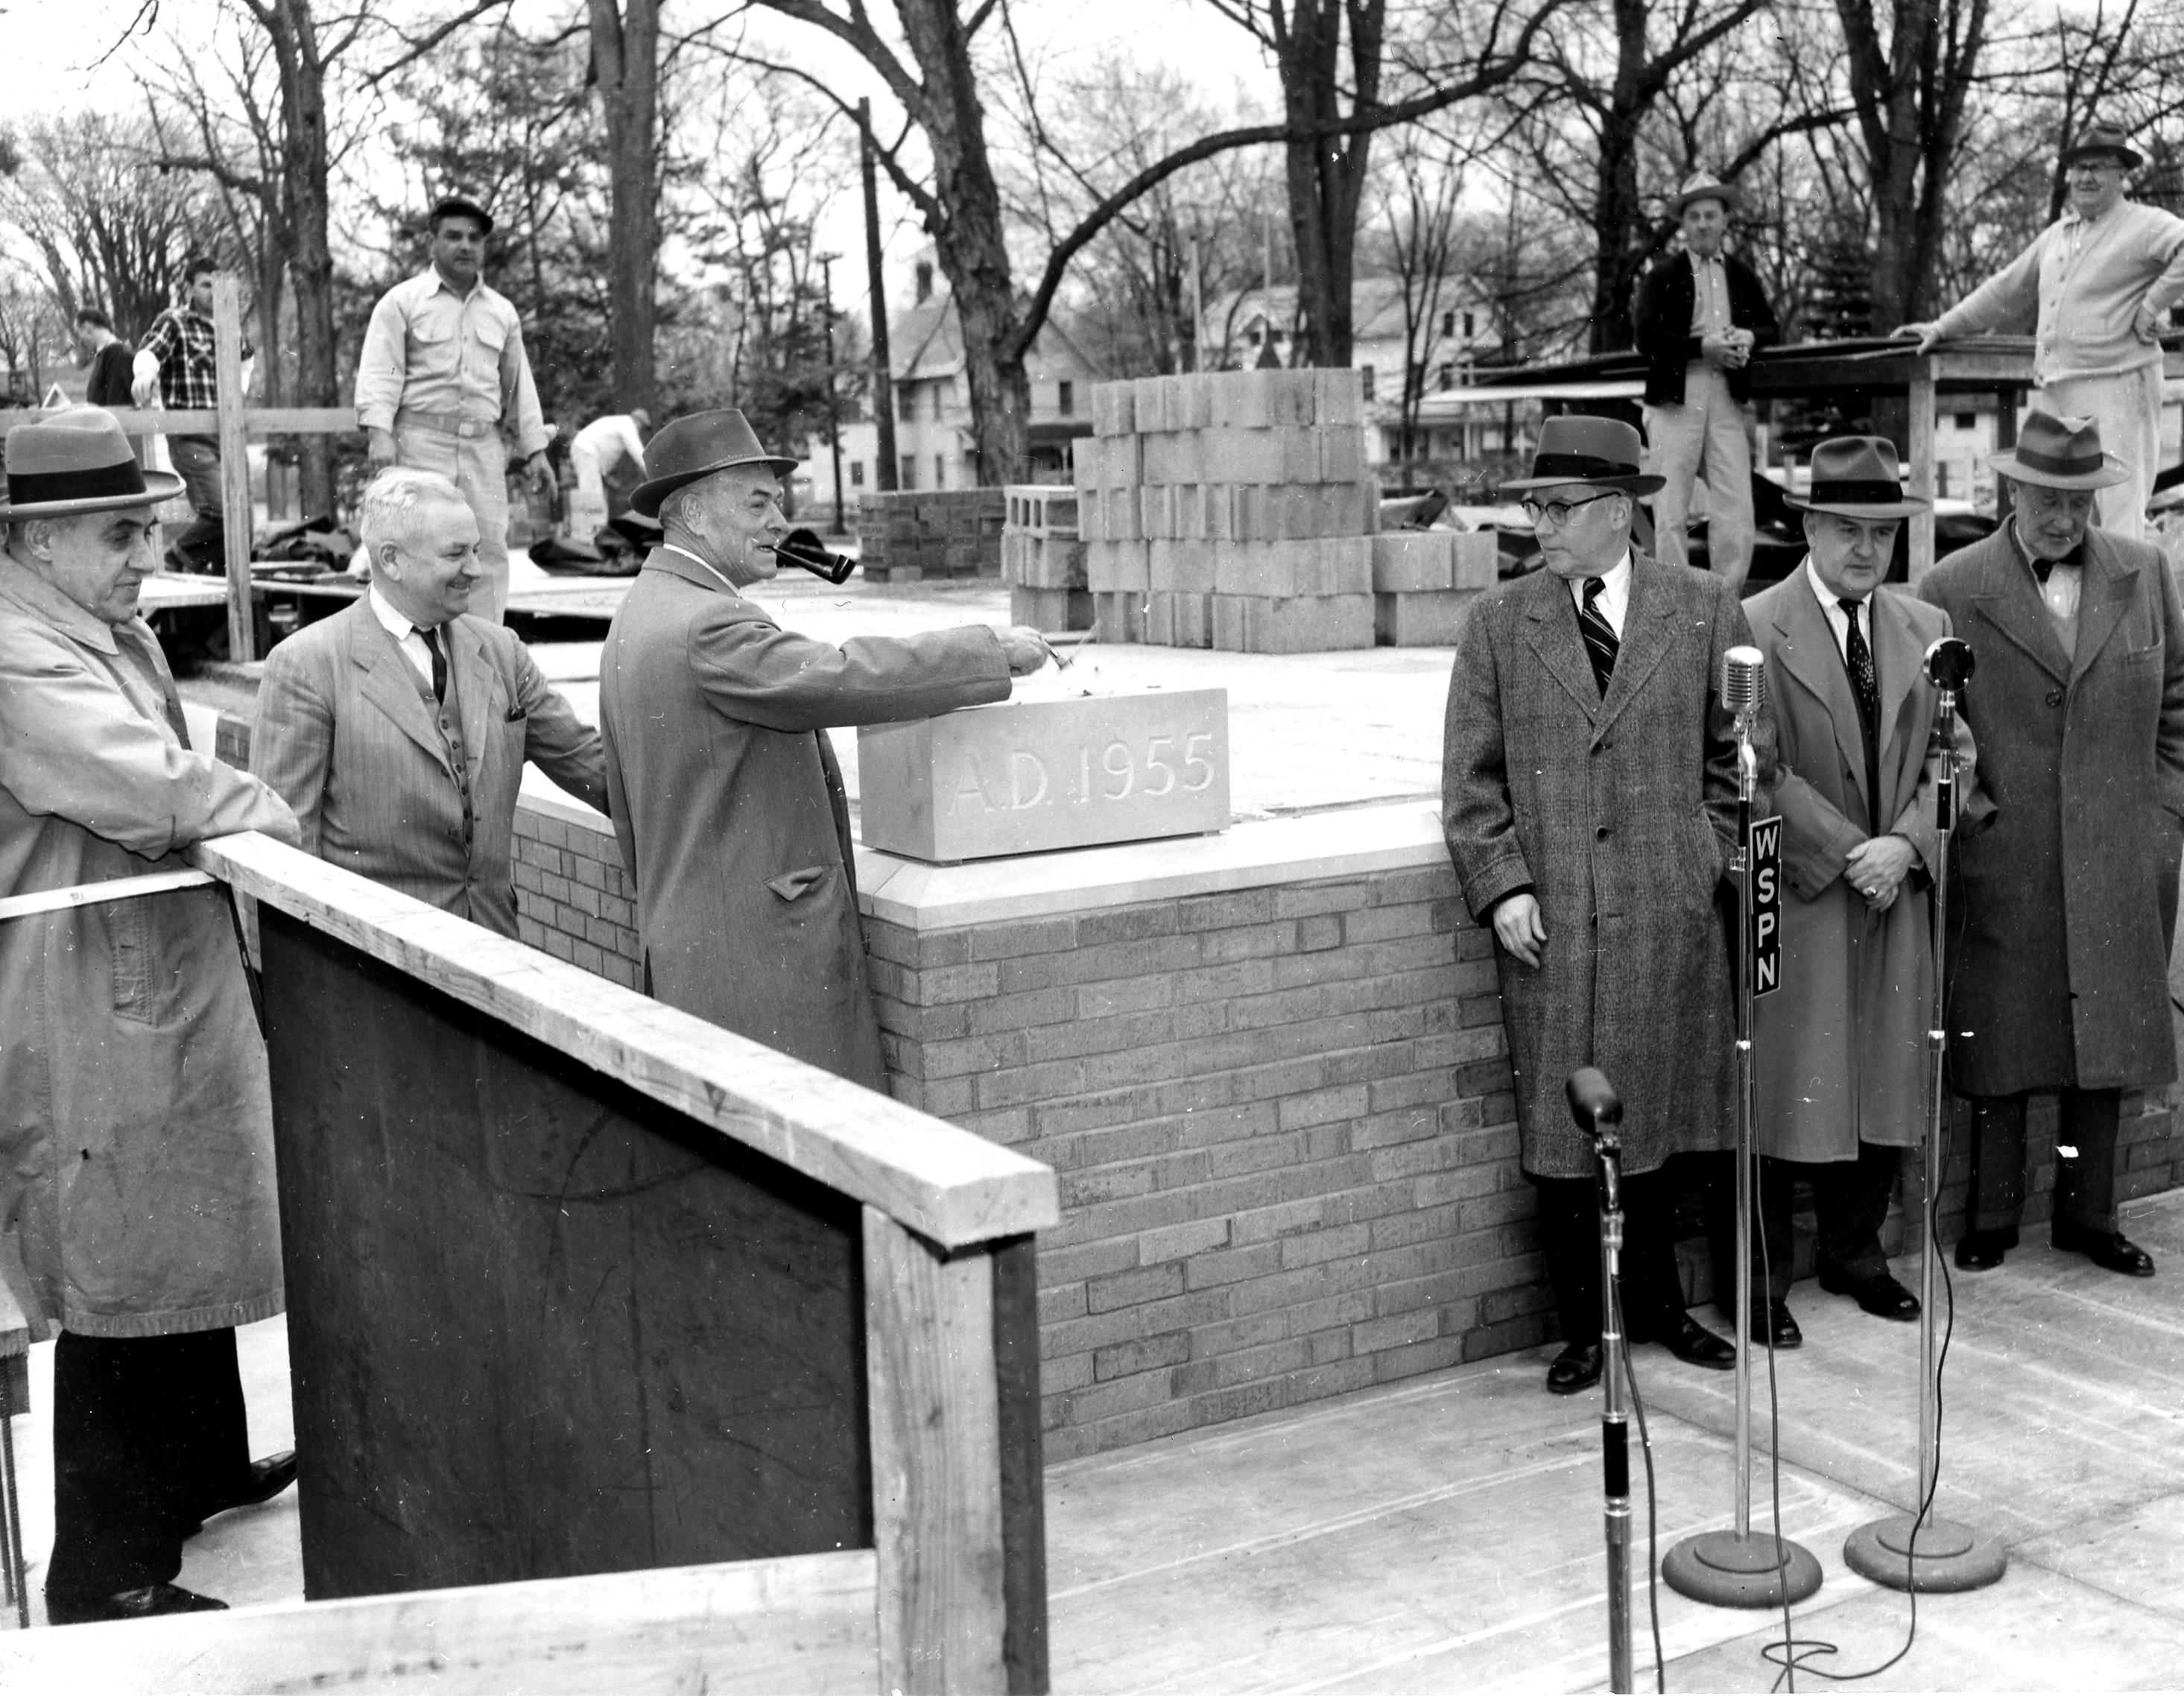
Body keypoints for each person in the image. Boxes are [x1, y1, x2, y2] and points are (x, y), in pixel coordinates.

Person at [0, 408, 301, 1624]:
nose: (145, 556)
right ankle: (107, 1572)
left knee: (192, 1221)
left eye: (146, 529)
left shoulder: (88, 620)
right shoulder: (17, 650)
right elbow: (150, 781)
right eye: (121, 533)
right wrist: (276, 812)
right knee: (129, 1254)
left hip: (154, 970)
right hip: (87, 984)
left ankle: (194, 1471)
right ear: (36, 539)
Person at [598, 409, 1049, 1089]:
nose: (779, 523)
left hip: (698, 946)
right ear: (690, 510)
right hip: (758, 965)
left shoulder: (644, 609)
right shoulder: (708, 621)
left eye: (776, 501)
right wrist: (988, 650)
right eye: (758, 503)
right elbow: (840, 676)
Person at [1442, 414, 1746, 1395]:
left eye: (1557, 507)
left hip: (1668, 917)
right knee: (1563, 1134)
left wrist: (1703, 858)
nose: (1539, 523)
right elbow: (1470, 786)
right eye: (1532, 505)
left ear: (1617, 510)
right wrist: (1502, 888)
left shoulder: (1701, 609)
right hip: (1554, 926)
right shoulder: (1498, 624)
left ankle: (1659, 1313)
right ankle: (1586, 1330)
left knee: (1657, 1123)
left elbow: (1742, 763)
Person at [1919, 409, 2184, 1278]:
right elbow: (1932, 731)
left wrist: (2162, 818)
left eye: (2080, 501)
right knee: (2000, 1037)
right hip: (2011, 850)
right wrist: (1979, 818)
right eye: (2049, 501)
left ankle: (2090, 1217)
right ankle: (1990, 1216)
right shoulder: (1951, 585)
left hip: (2120, 849)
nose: (2066, 520)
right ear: (2012, 491)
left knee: (2102, 1040)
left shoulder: (2146, 572)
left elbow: (2178, 704)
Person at [1732, 437, 1983, 1341]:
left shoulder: (1926, 625)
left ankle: (1856, 1251)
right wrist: (1854, 851)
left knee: (1883, 1072)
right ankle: (1762, 1279)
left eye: (1881, 531)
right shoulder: (1758, 622)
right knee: (1789, 1080)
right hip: (1806, 893)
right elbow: (1751, 770)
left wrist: (1910, 846)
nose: (1865, 549)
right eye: (1846, 528)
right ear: (1808, 526)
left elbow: (1957, 757)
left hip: (1894, 889)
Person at [253, 467, 608, 938]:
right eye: (455, 554)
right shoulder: (307, 665)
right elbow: (286, 848)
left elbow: (589, 763)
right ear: (392, 560)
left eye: (477, 550)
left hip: (497, 952)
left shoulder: (502, 651)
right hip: (378, 973)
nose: (476, 570)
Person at [1899, 121, 2184, 542]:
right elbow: (2006, 290)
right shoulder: (2059, 235)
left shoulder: (2143, 224)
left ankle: (2131, 609)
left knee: (2121, 517)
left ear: (2122, 174)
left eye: (2100, 167)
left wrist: (2151, 306)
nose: (2086, 177)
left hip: (2120, 386)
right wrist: (1943, 327)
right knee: (2063, 513)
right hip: (2059, 390)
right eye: (2079, 167)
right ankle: (2072, 608)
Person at [354, 196, 553, 624]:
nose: (465, 246)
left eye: (474, 238)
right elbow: (379, 372)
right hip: (419, 443)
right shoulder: (402, 302)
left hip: (482, 447)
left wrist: (536, 451)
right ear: (432, 242)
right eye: (454, 236)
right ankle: (412, 649)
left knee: (488, 547)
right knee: (415, 546)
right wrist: (379, 434)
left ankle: (485, 655)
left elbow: (520, 387)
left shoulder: (502, 312)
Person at [1633, 169, 1780, 590]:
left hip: (1727, 399)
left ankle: (1725, 598)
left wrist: (1750, 335)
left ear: (1724, 220)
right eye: (1694, 216)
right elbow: (1646, 336)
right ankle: (1674, 600)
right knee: (1671, 508)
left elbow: (1772, 328)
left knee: (1736, 508)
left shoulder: (1741, 275)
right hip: (1676, 399)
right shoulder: (1662, 275)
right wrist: (1702, 348)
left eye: (1710, 215)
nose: (1702, 224)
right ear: (1682, 224)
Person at [133, 258, 252, 574]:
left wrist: (239, 393)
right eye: (205, 285)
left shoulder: (230, 325)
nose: (213, 293)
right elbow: (149, 352)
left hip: (227, 435)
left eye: (218, 285)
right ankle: (175, 562)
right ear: (190, 288)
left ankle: (219, 593)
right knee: (222, 512)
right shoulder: (176, 321)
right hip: (191, 436)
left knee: (244, 524)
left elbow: (247, 361)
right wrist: (144, 375)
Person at [569, 407, 651, 516]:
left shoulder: (618, 422)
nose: (640, 430)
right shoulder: (628, 425)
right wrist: (651, 473)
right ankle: (592, 530)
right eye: (642, 426)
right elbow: (638, 453)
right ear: (638, 421)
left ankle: (591, 528)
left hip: (586, 452)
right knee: (593, 496)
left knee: (593, 495)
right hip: (586, 452)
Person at [75, 308, 134, 409]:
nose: (81, 342)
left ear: (86, 327)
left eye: (78, 333)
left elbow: (118, 406)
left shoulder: (116, 353)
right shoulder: (105, 354)